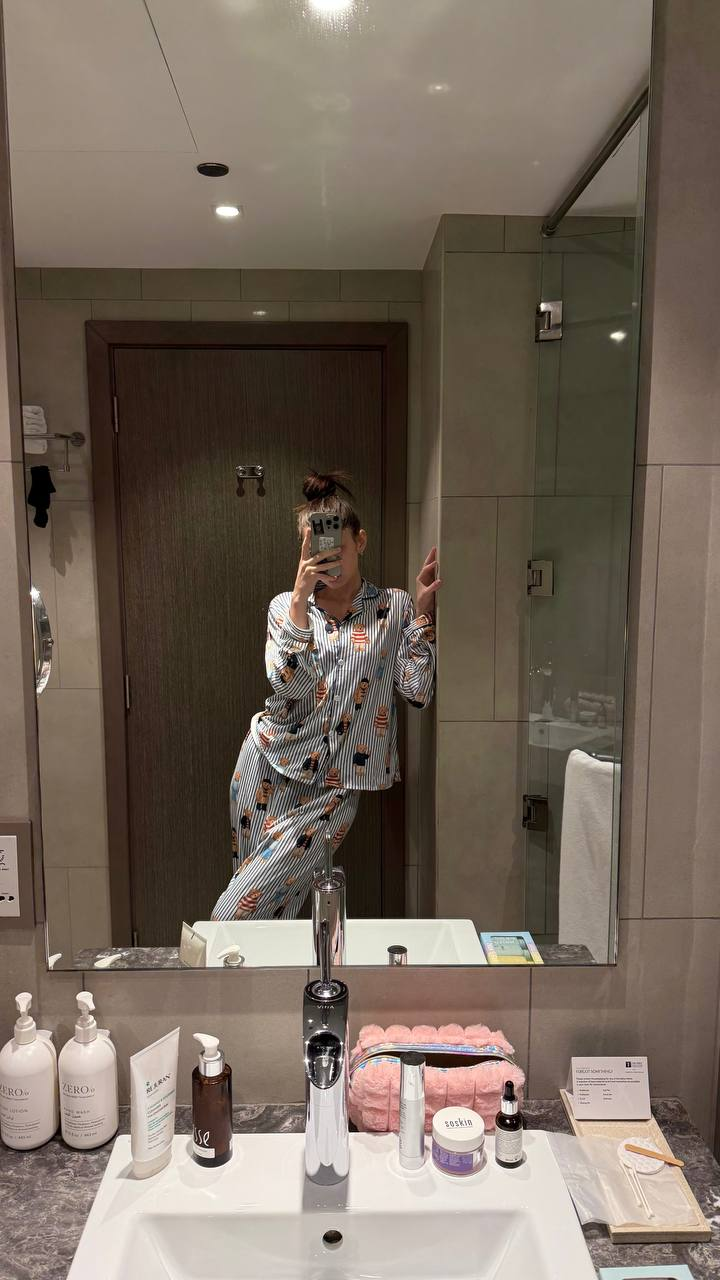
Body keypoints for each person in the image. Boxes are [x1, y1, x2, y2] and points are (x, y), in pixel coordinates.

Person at [211, 471, 439, 921]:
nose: (327, 560)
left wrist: (423, 618)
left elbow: (416, 692)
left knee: (234, 913)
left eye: (338, 549)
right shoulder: (285, 608)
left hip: (338, 787)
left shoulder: (393, 607)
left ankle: (212, 959)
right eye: (315, 550)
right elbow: (289, 685)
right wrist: (300, 597)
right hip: (266, 764)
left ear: (361, 541)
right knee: (269, 914)